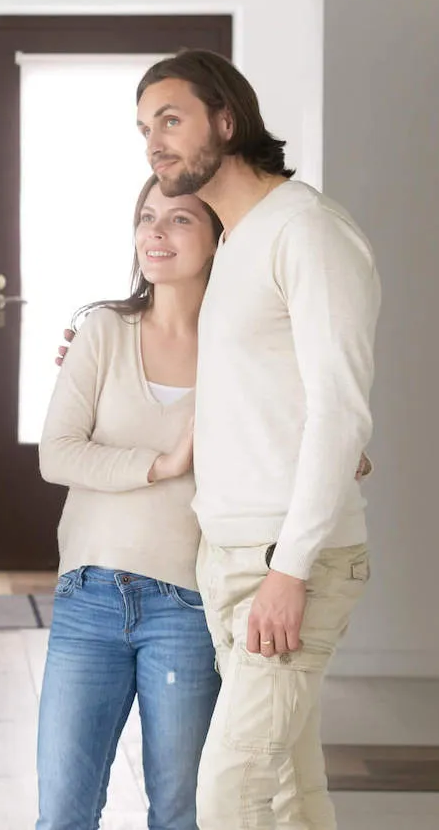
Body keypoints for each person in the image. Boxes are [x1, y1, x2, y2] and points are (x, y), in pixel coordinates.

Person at [134, 49, 380, 829]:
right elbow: (273, 395)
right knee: (286, 792)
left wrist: (292, 567)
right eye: (144, 129)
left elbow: (342, 407)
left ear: (227, 121)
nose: (153, 143)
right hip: (230, 551)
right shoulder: (238, 240)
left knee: (229, 789)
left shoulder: (307, 230)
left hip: (288, 559)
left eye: (170, 120)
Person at [35, 174, 226, 830]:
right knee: (63, 813)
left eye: (179, 220)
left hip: (189, 602)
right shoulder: (102, 331)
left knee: (180, 813)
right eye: (148, 217)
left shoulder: (244, 350)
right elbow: (57, 452)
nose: (155, 233)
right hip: (88, 593)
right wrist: (163, 464)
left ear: (218, 235)